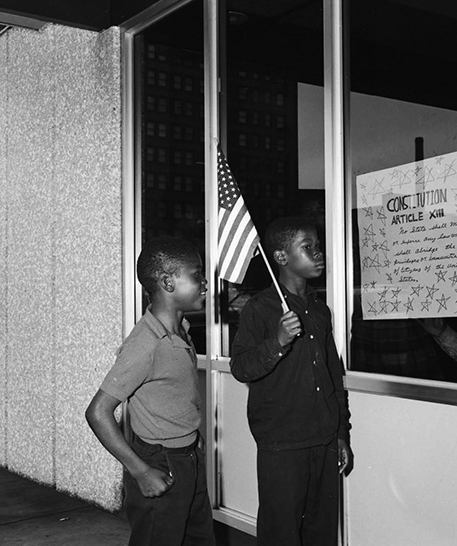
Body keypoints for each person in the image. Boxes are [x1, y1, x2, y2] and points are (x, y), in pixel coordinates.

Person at [230, 217, 353, 546]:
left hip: (323, 439)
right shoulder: (260, 309)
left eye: (318, 245)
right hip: (282, 443)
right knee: (281, 532)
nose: (318, 253)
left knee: (321, 531)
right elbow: (241, 367)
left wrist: (340, 432)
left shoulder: (318, 308)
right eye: (307, 247)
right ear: (281, 257)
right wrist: (278, 341)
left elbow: (332, 376)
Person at [85, 236, 215, 546]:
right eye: (196, 275)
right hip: (160, 464)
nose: (205, 283)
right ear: (168, 282)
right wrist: (140, 471)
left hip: (187, 459)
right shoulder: (147, 343)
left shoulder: (179, 331)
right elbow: (98, 412)